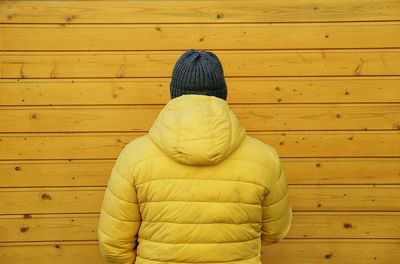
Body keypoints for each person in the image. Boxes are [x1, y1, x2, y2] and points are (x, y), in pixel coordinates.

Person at [97, 49, 292, 264]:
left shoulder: (134, 156)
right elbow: (275, 231)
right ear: (223, 93)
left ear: (174, 93)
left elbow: (114, 243)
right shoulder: (264, 158)